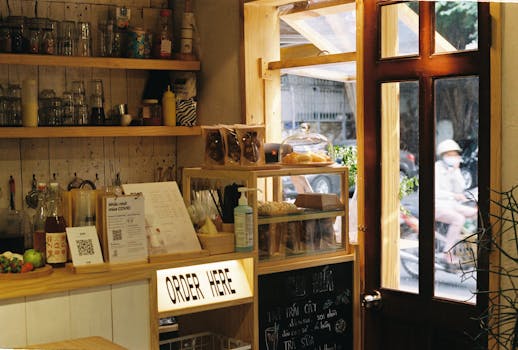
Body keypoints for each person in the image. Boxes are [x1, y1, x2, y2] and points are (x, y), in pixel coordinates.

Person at [434, 139, 477, 262]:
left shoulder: (453, 170)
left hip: (451, 204)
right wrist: (454, 195)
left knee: (475, 212)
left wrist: (456, 171)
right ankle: (447, 252)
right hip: (437, 205)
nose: (453, 157)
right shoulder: (436, 168)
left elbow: (461, 188)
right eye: (449, 155)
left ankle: (467, 244)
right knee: (459, 219)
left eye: (455, 155)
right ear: (443, 156)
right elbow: (435, 192)